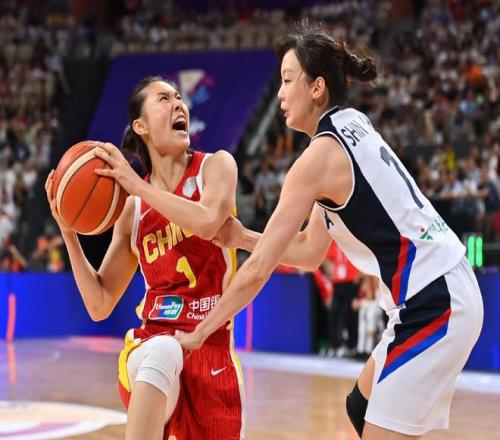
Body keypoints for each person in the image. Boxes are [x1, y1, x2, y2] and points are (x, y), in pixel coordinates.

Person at [175, 24, 484, 440]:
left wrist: (201, 331)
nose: (280, 94)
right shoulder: (351, 124)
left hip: (434, 298)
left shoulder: (317, 159)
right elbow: (308, 251)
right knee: (360, 405)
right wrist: (242, 236)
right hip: (438, 288)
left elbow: (259, 268)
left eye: (288, 81)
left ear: (317, 87)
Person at [45, 76, 244, 440]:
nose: (179, 104)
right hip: (150, 345)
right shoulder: (133, 211)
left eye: (179, 98)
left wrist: (138, 186)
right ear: (141, 126)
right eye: (164, 99)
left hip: (211, 349)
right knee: (163, 350)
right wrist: (69, 234)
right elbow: (99, 303)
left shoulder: (215, 167)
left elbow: (207, 222)